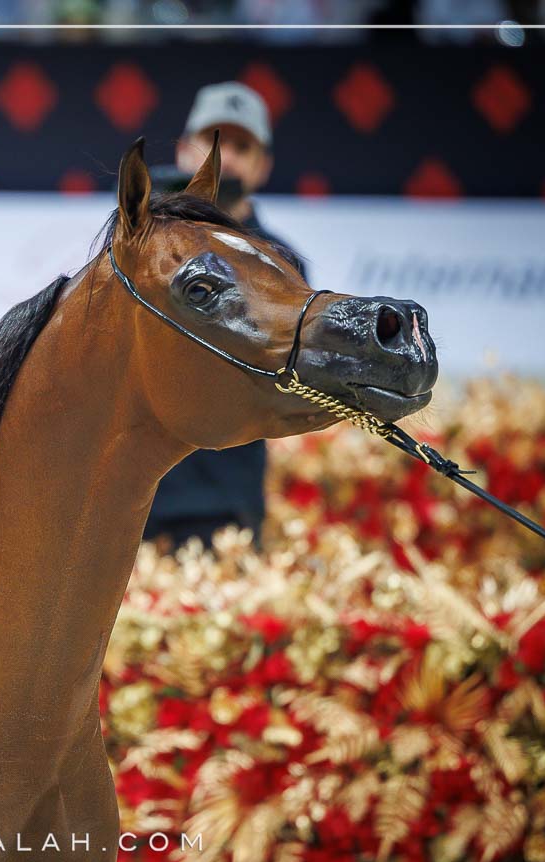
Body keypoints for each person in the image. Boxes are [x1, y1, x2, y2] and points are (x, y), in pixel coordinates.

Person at [142, 81, 309, 550]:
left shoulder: (284, 267)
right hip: (132, 495)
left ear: (263, 166)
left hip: (224, 507)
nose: (225, 158)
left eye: (241, 146)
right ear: (182, 151)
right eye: (213, 141)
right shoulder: (138, 245)